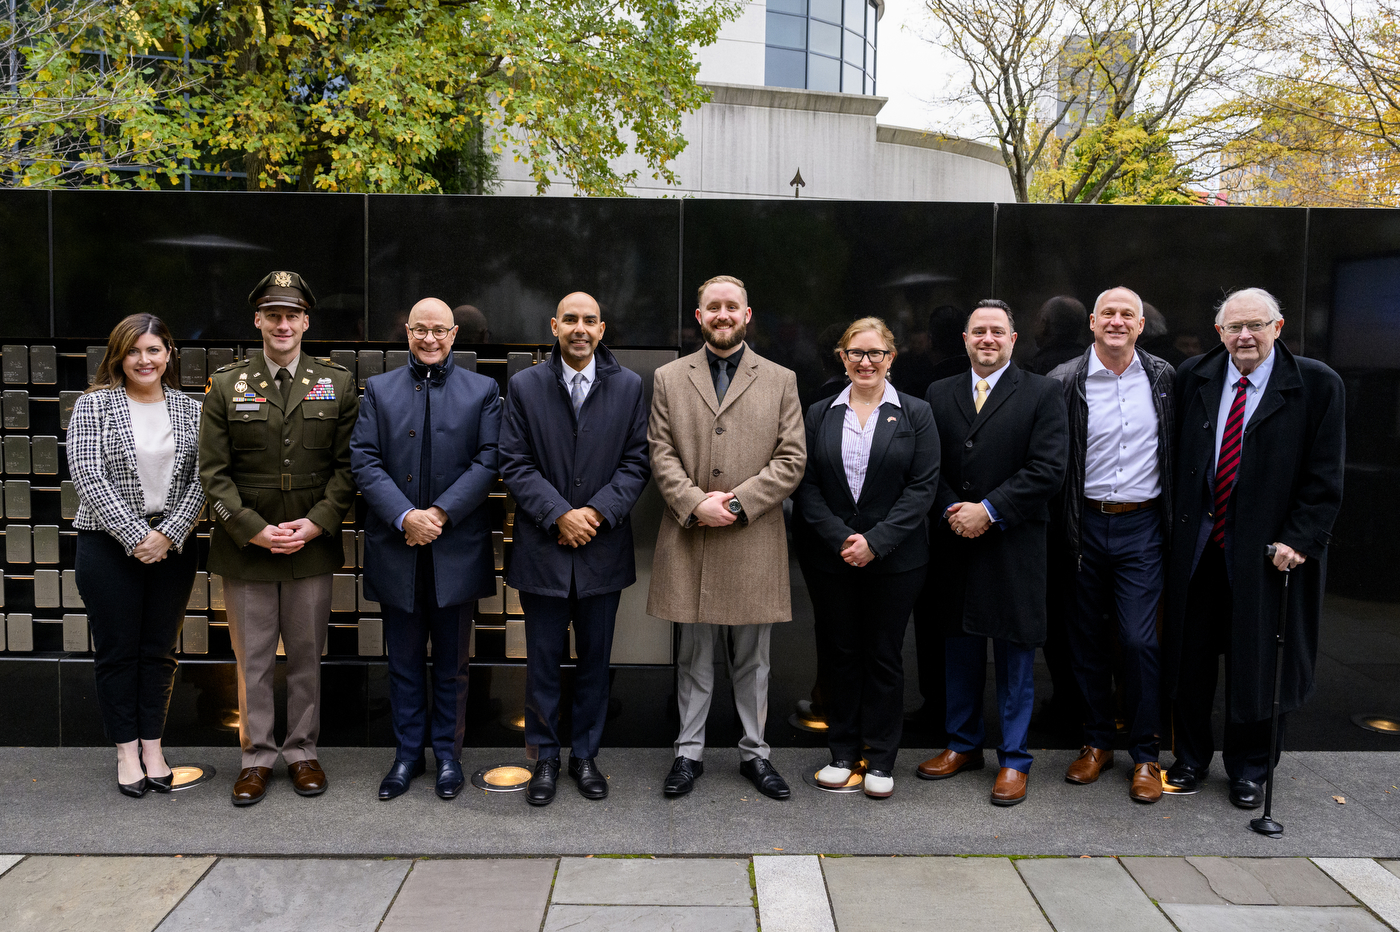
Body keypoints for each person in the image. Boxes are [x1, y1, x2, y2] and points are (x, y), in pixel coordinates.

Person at [1162, 287, 1344, 809]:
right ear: (1219, 332)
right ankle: (1191, 758)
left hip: (1267, 554)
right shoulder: (1194, 375)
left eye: (1256, 326)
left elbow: (1325, 477)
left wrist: (1300, 537)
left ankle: (1250, 770)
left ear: (1278, 327)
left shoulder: (1316, 384)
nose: (1245, 336)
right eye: (1234, 327)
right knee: (1190, 662)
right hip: (1199, 550)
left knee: (1259, 664)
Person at [199, 271, 359, 807]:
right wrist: (254, 530)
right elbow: (213, 473)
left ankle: (303, 751)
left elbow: (348, 469)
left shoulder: (336, 383)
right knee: (255, 661)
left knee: (308, 654)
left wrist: (316, 523)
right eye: (273, 314)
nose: (283, 324)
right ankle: (257, 757)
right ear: (258, 321)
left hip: (311, 544)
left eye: (292, 315)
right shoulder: (226, 384)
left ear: (306, 321)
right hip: (246, 548)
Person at [647, 274, 806, 800]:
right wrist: (696, 504)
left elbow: (792, 459)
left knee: (754, 660)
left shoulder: (780, 379)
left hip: (752, 538)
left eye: (731, 307)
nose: (722, 314)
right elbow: (660, 453)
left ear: (747, 314)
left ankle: (755, 755)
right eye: (712, 307)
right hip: (691, 536)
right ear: (699, 316)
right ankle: (687, 755)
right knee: (692, 658)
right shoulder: (670, 378)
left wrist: (735, 505)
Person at [499, 292, 650, 806]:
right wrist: (560, 514)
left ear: (602, 329)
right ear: (554, 326)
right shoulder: (524, 386)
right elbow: (513, 462)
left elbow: (637, 462)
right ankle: (544, 758)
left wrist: (596, 513)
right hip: (543, 551)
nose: (579, 328)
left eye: (589, 320)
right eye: (570, 320)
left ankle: (585, 756)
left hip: (602, 551)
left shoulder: (629, 387)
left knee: (595, 663)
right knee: (541, 664)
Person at [917, 300, 1068, 807]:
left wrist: (989, 510)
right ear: (964, 339)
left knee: (1014, 654)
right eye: (978, 331)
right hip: (954, 540)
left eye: (997, 331)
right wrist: (952, 512)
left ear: (1013, 338)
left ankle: (1014, 760)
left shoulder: (1044, 393)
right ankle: (962, 745)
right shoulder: (939, 393)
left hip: (1013, 542)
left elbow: (1048, 469)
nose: (987, 339)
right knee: (957, 647)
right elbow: (926, 464)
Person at [351, 297, 501, 801]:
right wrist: (405, 516)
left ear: (454, 334)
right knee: (404, 662)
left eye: (439, 331)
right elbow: (365, 460)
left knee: (454, 665)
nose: (430, 339)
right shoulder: (378, 389)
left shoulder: (483, 390)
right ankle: (406, 755)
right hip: (398, 548)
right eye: (420, 330)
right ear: (407, 332)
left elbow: (489, 461)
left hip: (455, 549)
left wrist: (437, 515)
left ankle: (448, 757)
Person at [793, 317, 939, 798]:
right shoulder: (819, 414)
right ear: (842, 357)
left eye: (876, 353)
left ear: (891, 359)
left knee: (883, 655)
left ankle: (879, 760)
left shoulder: (916, 413)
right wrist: (842, 538)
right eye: (856, 353)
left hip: (896, 559)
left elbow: (922, 488)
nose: (865, 362)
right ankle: (841, 752)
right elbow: (807, 486)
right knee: (840, 653)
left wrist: (876, 541)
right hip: (831, 558)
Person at [68, 314, 205, 798]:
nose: (144, 360)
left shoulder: (191, 409)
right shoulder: (94, 406)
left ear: (169, 354)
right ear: (118, 356)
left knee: (159, 651)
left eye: (153, 350)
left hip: (173, 545)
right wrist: (135, 535)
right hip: (106, 545)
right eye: (133, 351)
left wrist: (167, 534)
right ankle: (126, 749)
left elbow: (202, 479)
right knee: (118, 651)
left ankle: (153, 745)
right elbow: (87, 475)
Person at [1047, 287, 1175, 804]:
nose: (1117, 322)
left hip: (1142, 526)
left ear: (1141, 325)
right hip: (1083, 524)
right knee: (1086, 642)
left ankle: (1145, 754)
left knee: (1140, 641)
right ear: (1092, 323)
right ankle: (1097, 742)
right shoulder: (1066, 380)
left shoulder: (1165, 379)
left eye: (1128, 315)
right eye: (1108, 314)